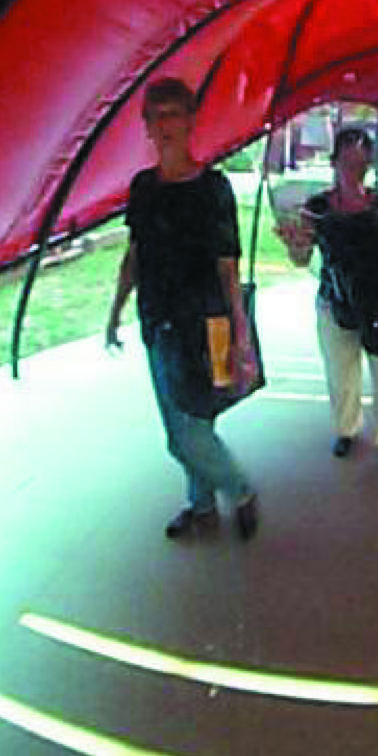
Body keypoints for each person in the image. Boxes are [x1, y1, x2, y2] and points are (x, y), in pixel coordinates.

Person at [105, 78, 260, 540]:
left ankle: (241, 489)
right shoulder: (143, 188)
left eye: (175, 113)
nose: (167, 124)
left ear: (191, 121)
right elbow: (134, 255)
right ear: (147, 126)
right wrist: (116, 310)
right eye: (158, 115)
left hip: (204, 324)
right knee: (182, 421)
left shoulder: (213, 188)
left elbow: (228, 265)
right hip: (157, 322)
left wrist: (240, 331)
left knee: (187, 432)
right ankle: (201, 506)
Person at [277, 126, 378, 481]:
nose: (355, 169)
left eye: (362, 162)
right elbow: (301, 258)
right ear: (334, 161)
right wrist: (294, 243)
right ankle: (346, 429)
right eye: (348, 161)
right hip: (335, 301)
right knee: (341, 374)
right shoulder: (318, 207)